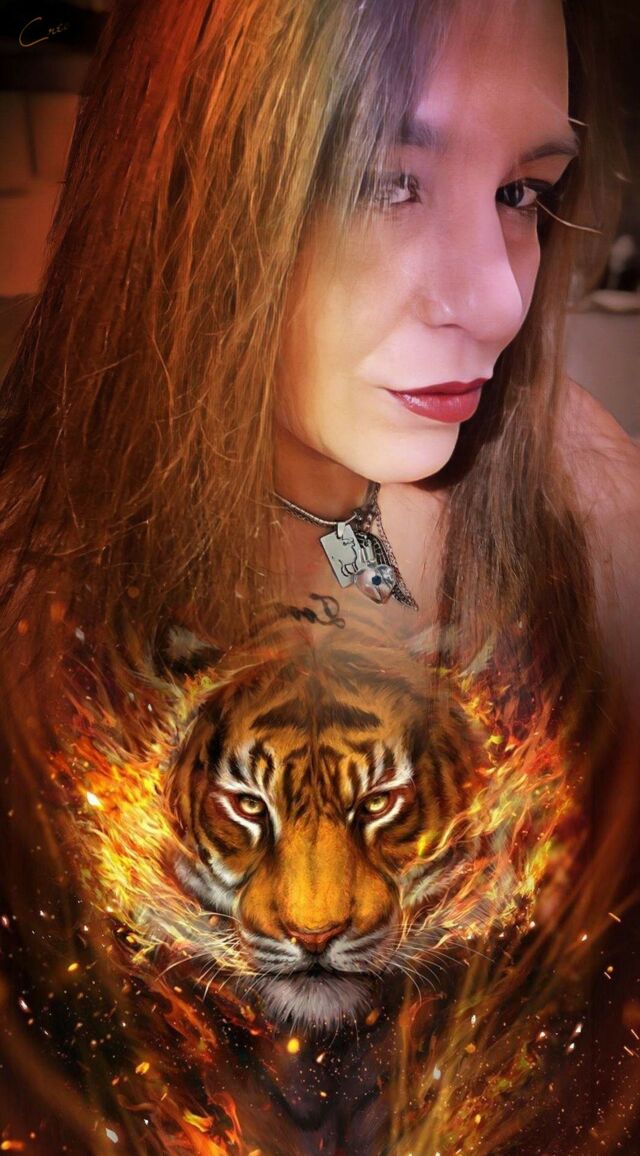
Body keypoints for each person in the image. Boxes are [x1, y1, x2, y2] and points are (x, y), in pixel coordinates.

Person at [0, 0, 638, 1152]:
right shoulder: (36, 579)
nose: (499, 301)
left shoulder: (580, 497)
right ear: (192, 186)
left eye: (522, 192)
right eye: (386, 183)